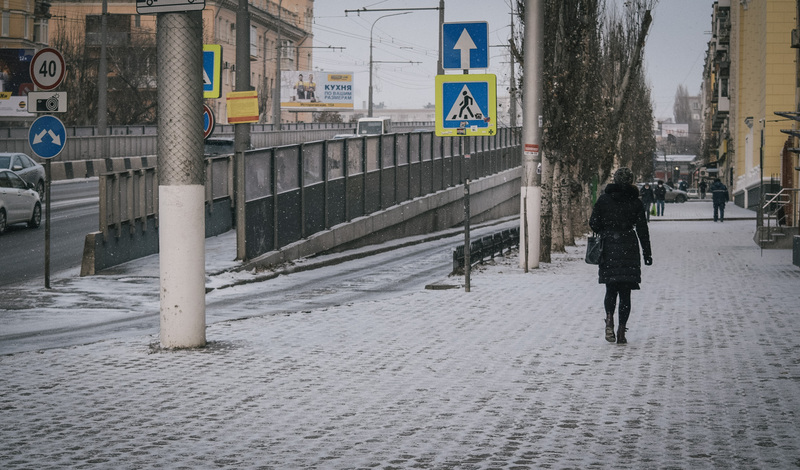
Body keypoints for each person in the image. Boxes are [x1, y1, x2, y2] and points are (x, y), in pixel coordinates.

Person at [589, 168, 653, 344]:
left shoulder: (604, 200)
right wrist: (647, 253)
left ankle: (609, 319)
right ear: (631, 181)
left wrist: (606, 229)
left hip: (609, 247)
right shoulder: (635, 202)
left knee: (611, 288)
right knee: (625, 292)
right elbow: (642, 229)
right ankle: (622, 331)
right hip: (629, 247)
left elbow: (593, 223)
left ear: (615, 180)